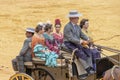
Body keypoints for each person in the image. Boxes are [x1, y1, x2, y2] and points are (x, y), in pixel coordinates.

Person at [63, 10, 94, 75]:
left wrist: (87, 38)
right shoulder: (67, 27)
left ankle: (90, 67)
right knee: (79, 52)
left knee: (87, 50)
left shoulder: (77, 26)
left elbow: (81, 34)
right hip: (69, 44)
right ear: (72, 19)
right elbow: (70, 38)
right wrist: (80, 41)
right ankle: (87, 69)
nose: (78, 19)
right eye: (77, 17)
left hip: (76, 43)